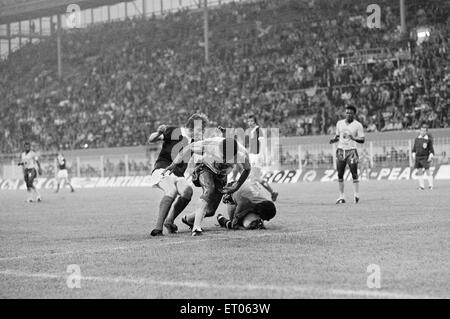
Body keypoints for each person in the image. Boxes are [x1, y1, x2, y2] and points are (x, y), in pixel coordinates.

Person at [164, 137, 251, 236]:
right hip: (205, 167)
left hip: (221, 176)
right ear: (219, 149)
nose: (224, 159)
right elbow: (189, 147)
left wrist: (237, 186)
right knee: (209, 190)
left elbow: (247, 169)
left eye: (228, 157)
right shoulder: (211, 145)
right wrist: (175, 162)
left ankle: (187, 219)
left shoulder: (242, 154)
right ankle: (196, 229)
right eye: (223, 156)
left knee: (210, 211)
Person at [147, 113, 208, 236]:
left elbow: (205, 152)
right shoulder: (175, 131)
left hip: (178, 175)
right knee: (171, 190)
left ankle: (169, 221)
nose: (201, 131)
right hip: (162, 169)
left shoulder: (196, 142)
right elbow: (151, 139)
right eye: (200, 129)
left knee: (188, 191)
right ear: (191, 127)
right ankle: (158, 229)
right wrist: (159, 133)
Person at [329, 105, 365, 204]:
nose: (348, 114)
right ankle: (341, 197)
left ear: (354, 114)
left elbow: (362, 139)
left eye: (350, 113)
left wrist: (353, 138)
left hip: (352, 151)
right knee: (340, 174)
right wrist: (334, 140)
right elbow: (337, 136)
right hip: (341, 151)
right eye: (347, 112)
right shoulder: (339, 123)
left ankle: (356, 195)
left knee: (354, 174)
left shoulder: (358, 125)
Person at [412, 124, 435, 190]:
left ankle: (431, 185)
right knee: (419, 171)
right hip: (418, 158)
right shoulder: (417, 139)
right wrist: (413, 155)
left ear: (426, 132)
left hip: (425, 157)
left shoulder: (428, 140)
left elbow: (432, 151)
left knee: (427, 170)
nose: (422, 132)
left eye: (424, 131)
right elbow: (414, 149)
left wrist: (430, 156)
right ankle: (421, 186)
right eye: (421, 130)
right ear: (420, 131)